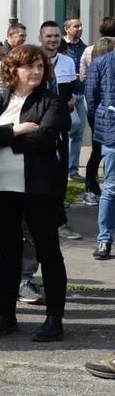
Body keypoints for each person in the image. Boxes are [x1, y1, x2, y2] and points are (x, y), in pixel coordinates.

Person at [0, 45, 69, 342]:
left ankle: (54, 318)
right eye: (29, 66)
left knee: (48, 251)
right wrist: (17, 130)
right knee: (8, 253)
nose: (36, 72)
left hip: (39, 189)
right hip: (2, 187)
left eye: (40, 67)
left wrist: (1, 134)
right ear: (12, 69)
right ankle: (6, 316)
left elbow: (44, 141)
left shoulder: (51, 101)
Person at [39, 20, 81, 241]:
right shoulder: (33, 61)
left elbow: (70, 93)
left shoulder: (68, 62)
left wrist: (69, 101)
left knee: (60, 176)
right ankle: (41, 221)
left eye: (56, 36)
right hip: (38, 128)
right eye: (49, 36)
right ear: (41, 38)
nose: (53, 40)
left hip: (61, 128)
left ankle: (60, 222)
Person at [85, 37, 115, 261]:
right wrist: (102, 126)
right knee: (111, 187)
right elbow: (92, 98)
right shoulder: (102, 63)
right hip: (112, 132)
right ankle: (104, 239)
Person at [82, 36, 115, 208]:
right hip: (102, 119)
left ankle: (93, 187)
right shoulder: (100, 65)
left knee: (101, 154)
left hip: (102, 118)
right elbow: (92, 96)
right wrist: (96, 118)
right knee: (97, 153)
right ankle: (90, 188)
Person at [63, 19, 88, 183]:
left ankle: (72, 170)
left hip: (80, 93)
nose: (80, 28)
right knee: (74, 125)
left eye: (80, 26)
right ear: (67, 29)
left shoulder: (84, 48)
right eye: (76, 26)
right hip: (67, 95)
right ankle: (64, 168)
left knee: (79, 132)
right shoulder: (61, 47)